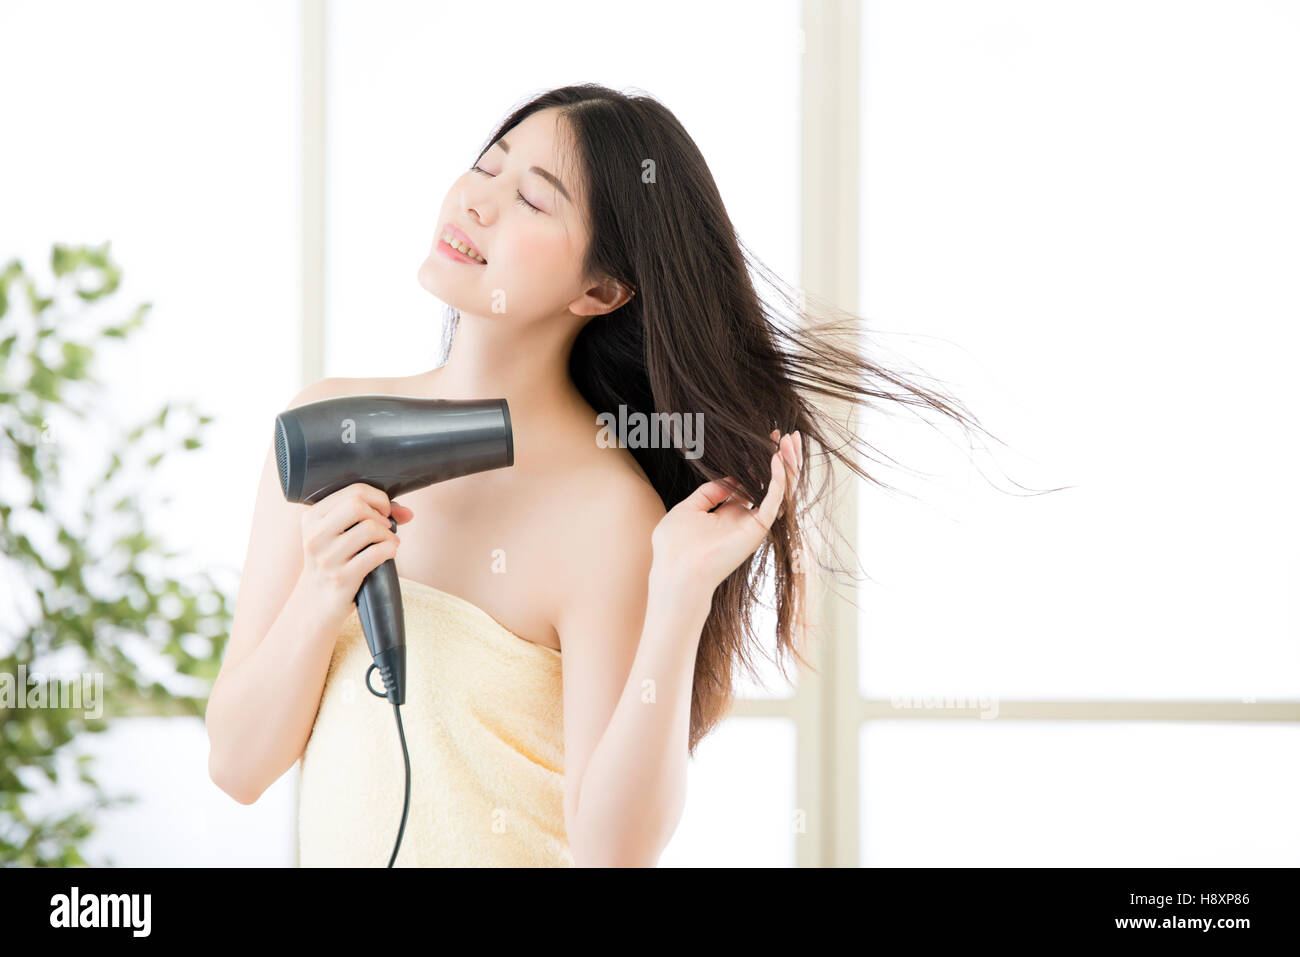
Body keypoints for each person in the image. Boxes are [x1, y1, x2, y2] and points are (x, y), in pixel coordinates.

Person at [206, 83, 1005, 867]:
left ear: (600, 289)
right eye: (488, 166)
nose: (478, 202)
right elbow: (237, 766)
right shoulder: (327, 430)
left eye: (534, 199)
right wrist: (319, 593)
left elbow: (612, 853)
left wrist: (679, 595)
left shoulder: (606, 515)